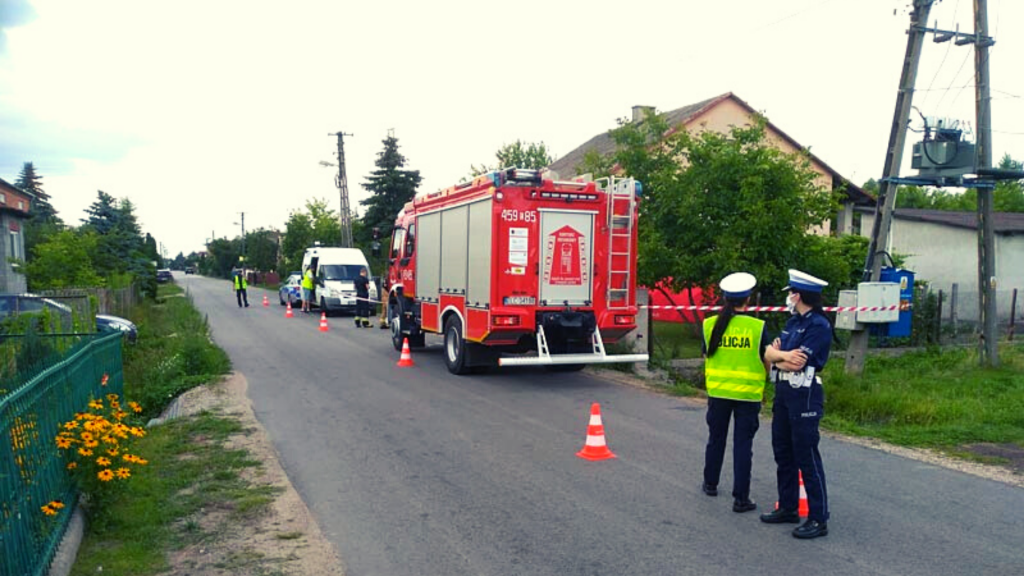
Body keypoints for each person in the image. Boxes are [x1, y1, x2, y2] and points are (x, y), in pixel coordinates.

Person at [760, 269, 833, 539]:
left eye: (791, 293)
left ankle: (818, 517)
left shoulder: (818, 325)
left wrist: (778, 356)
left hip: (805, 394)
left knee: (806, 455)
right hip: (784, 392)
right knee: (783, 450)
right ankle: (788, 506)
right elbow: (768, 352)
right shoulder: (792, 323)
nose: (789, 297)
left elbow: (797, 361)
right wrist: (780, 355)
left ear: (799, 294)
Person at [700, 272, 769, 514]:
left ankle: (710, 483)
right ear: (747, 299)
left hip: (718, 393)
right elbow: (765, 360)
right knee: (743, 445)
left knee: (715, 439)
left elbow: (705, 355)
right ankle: (741, 499)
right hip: (747, 396)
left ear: (724, 298)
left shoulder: (709, 324)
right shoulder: (758, 327)